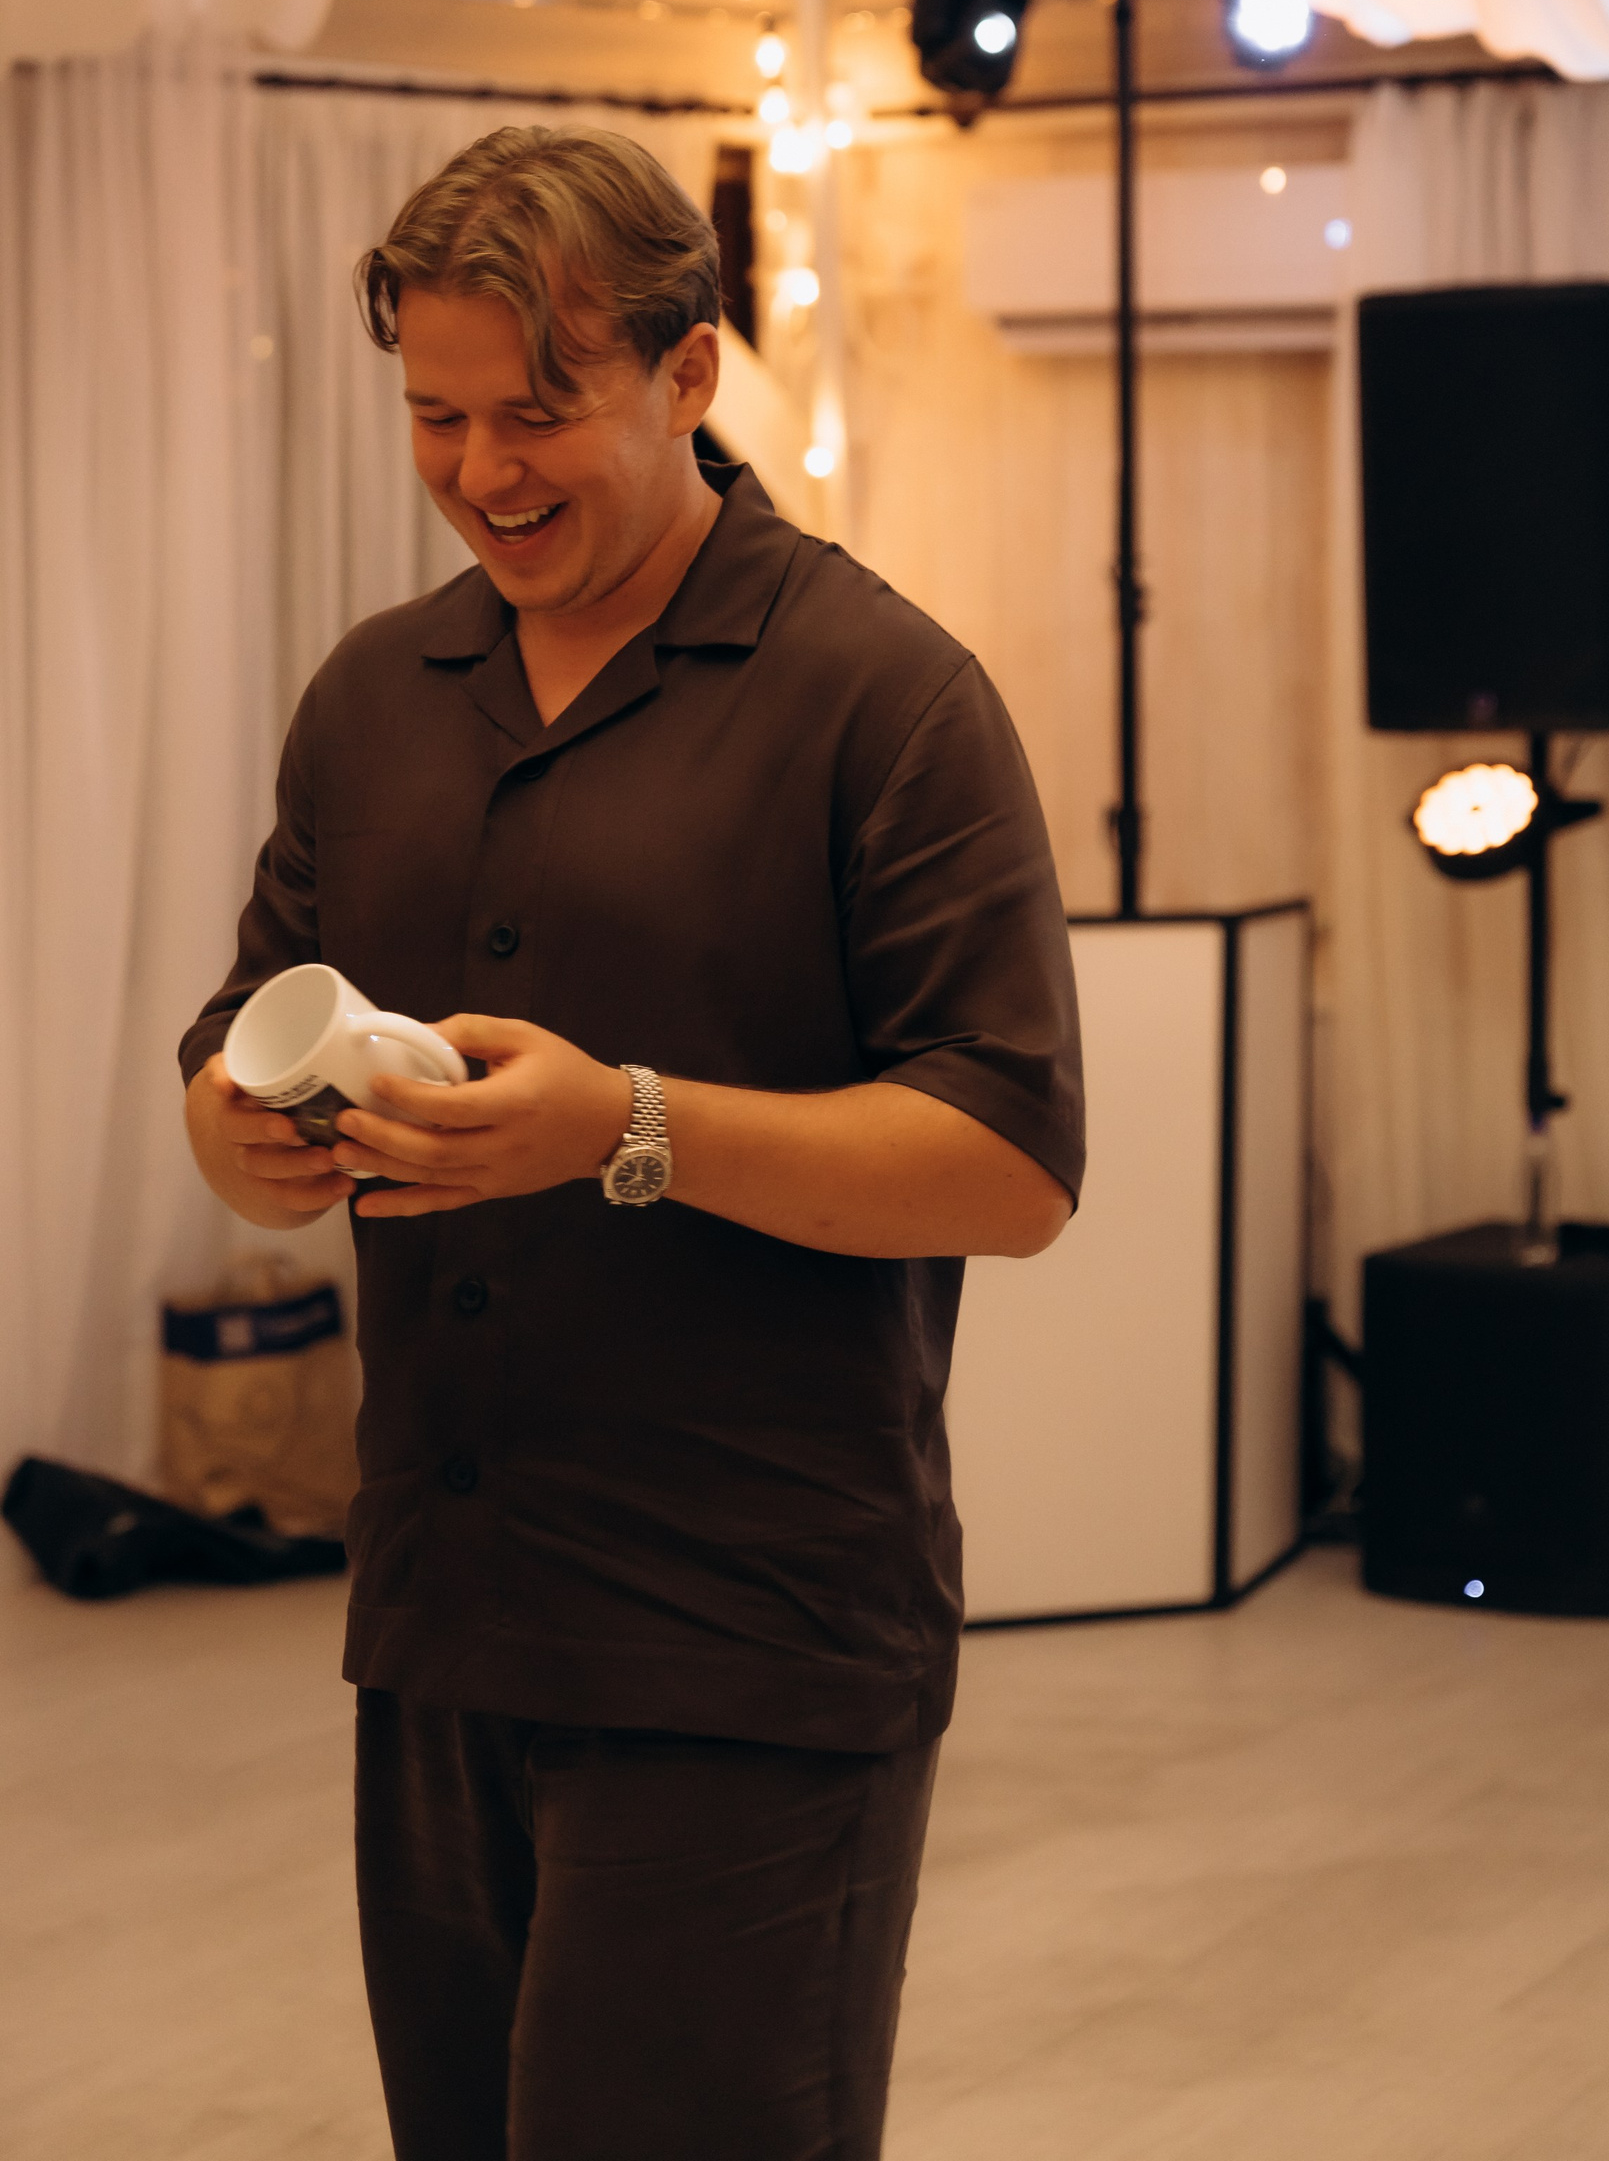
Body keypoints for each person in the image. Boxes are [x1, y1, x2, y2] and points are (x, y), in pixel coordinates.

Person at [179, 125, 1084, 2161]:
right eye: (436, 417)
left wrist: (630, 1128)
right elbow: (232, 1045)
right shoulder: (372, 698)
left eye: (537, 413)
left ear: (690, 372)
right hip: (440, 1613)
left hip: (752, 1636)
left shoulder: (886, 698)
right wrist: (247, 1142)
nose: (482, 471)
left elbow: (1011, 1162)